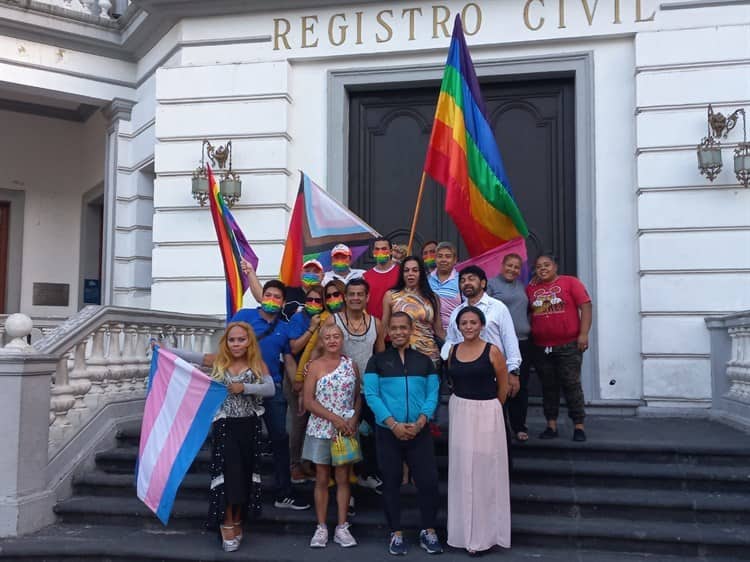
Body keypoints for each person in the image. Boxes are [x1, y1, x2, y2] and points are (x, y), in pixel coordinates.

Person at [364, 312, 443, 556]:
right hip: (389, 432)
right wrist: (393, 424)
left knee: (428, 482)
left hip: (419, 432)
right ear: (388, 331)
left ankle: (428, 530)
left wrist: (421, 421)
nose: (398, 332)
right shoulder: (377, 361)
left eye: (403, 328)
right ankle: (395, 533)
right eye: (394, 328)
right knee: (391, 482)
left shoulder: (424, 361)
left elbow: (433, 393)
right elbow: (372, 395)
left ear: (411, 330)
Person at [230, 280, 310, 510]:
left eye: (277, 297)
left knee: (280, 439)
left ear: (283, 302)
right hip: (241, 389)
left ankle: (284, 493)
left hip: (272, 388)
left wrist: (299, 387)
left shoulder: (284, 327)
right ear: (262, 296)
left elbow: (289, 360)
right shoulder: (243, 316)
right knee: (242, 440)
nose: (272, 299)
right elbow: (227, 345)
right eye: (268, 295)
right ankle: (240, 494)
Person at [205, 322, 276, 552]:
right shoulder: (218, 362)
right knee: (228, 472)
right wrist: (162, 350)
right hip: (224, 426)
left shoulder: (257, 365)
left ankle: (237, 519)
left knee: (244, 474)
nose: (236, 344)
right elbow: (189, 357)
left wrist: (244, 387)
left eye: (241, 340)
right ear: (226, 342)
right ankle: (226, 522)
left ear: (249, 342)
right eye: (232, 340)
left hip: (249, 426)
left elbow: (270, 389)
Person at [445, 307, 511, 555]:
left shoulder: (492, 351)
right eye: (464, 322)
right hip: (460, 411)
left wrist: (491, 410)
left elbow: (503, 386)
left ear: (481, 325)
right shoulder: (453, 351)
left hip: (486, 413)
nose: (469, 326)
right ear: (459, 326)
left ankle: (485, 536)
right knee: (462, 472)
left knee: (485, 473)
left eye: (473, 322)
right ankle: (463, 534)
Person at [302, 323, 361, 548]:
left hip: (345, 430)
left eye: (337, 336)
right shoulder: (315, 366)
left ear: (342, 339)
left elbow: (357, 396)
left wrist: (352, 420)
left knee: (344, 478)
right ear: (322, 341)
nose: (333, 340)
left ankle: (342, 526)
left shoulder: (351, 365)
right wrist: (334, 419)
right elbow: (308, 401)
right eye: (328, 337)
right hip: (320, 428)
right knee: (322, 478)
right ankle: (321, 527)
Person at [526, 254, 592, 442]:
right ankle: (551, 425)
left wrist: (584, 333)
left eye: (547, 265)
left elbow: (586, 307)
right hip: (541, 347)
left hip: (569, 345)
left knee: (572, 385)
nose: (543, 269)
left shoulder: (570, 282)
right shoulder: (531, 288)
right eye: (539, 266)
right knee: (549, 387)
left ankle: (578, 426)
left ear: (555, 266)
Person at [333, 277, 384, 492]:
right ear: (345, 297)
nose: (355, 298)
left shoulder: (376, 323)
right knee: (345, 438)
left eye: (359, 294)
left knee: (370, 434)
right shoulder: (333, 321)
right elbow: (322, 352)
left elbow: (380, 355)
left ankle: (367, 474)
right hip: (341, 391)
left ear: (367, 297)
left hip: (368, 390)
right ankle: (348, 493)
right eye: (351, 294)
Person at [487, 253, 532, 441]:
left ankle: (519, 425)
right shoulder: (491, 284)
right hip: (499, 343)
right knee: (501, 384)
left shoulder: (521, 286)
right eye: (509, 265)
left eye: (516, 267)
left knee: (519, 386)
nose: (512, 270)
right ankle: (500, 426)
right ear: (502, 265)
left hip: (522, 341)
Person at [286, 284, 325, 483]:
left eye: (318, 300)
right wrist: (311, 329)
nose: (313, 304)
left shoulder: (327, 319)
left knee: (315, 422)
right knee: (299, 421)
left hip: (319, 378)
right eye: (309, 300)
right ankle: (294, 464)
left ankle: (309, 463)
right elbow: (293, 348)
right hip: (296, 377)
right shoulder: (298, 319)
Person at [381, 256, 445, 366]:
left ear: (421, 273)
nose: (410, 273)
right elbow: (384, 330)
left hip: (429, 356)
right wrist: (380, 357)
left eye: (415, 270)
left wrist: (456, 346)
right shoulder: (391, 296)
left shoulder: (432, 298)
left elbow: (438, 330)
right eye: (406, 270)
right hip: (400, 356)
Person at [240, 258, 324, 321]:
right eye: (307, 271)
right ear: (301, 274)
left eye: (315, 271)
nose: (311, 274)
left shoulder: (328, 295)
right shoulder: (287, 291)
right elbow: (261, 297)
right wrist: (250, 272)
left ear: (322, 276)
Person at [428, 241, 462, 334]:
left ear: (455, 260)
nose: (443, 260)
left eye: (448, 256)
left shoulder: (461, 281)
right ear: (435, 259)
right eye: (440, 256)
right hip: (427, 335)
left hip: (453, 335)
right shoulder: (426, 280)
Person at [363, 237, 400, 319]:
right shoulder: (365, 277)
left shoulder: (401, 273)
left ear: (391, 251)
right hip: (374, 325)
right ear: (373, 252)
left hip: (396, 326)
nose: (380, 252)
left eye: (384, 249)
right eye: (377, 249)